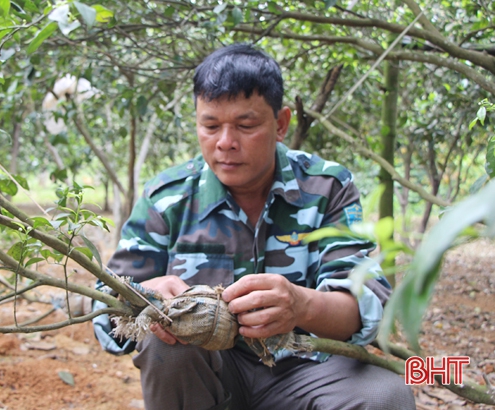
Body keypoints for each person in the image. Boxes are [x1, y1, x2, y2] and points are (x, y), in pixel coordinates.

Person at [92, 43, 415, 410]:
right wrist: (143, 297)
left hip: (308, 366)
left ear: (281, 125)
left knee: (384, 395)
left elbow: (366, 303)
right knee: (166, 349)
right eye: (210, 126)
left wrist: (302, 305)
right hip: (207, 371)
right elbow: (104, 307)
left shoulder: (327, 188)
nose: (225, 143)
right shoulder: (167, 199)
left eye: (246, 125)